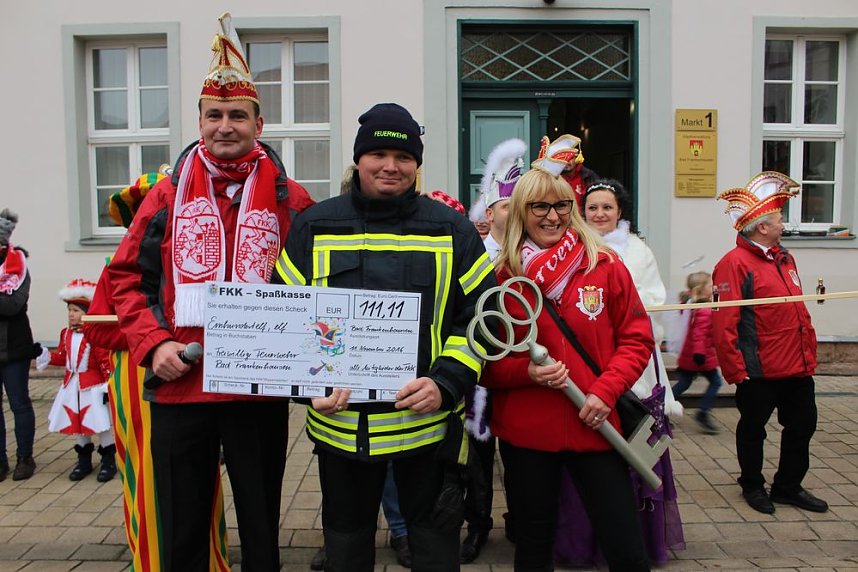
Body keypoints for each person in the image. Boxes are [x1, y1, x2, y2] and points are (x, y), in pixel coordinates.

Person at [107, 13, 314, 570]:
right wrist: (154, 346)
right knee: (181, 533)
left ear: (259, 123)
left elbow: (318, 285)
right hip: (179, 386)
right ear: (199, 119)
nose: (226, 125)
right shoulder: (166, 196)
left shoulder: (291, 199)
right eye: (215, 114)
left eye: (237, 115)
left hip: (257, 392)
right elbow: (126, 279)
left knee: (262, 533)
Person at [273, 102, 497, 571]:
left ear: (417, 164)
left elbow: (483, 316)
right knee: (347, 553)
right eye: (377, 154)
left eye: (403, 157)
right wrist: (308, 388)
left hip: (428, 432)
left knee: (435, 554)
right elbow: (284, 320)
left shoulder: (451, 229)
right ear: (358, 159)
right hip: (341, 433)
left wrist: (446, 382)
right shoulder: (315, 226)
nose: (390, 166)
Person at [480, 142, 653, 571]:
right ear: (521, 210)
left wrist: (605, 392)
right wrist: (526, 373)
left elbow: (637, 340)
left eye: (560, 205)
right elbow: (482, 361)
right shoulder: (501, 277)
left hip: (595, 425)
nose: (552, 216)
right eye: (539, 207)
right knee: (534, 544)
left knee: (624, 543)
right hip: (526, 434)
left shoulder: (606, 266)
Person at [85, 171, 231, 570]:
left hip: (194, 379)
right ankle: (152, 559)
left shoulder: (201, 249)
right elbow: (99, 326)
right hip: (140, 382)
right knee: (151, 477)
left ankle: (209, 557)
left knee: (198, 478)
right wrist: (152, 341)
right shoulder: (123, 261)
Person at [553, 178, 683, 566]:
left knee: (629, 439)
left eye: (606, 207)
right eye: (592, 207)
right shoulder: (567, 250)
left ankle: (634, 541)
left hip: (631, 365)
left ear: (619, 211)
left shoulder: (638, 252)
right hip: (583, 361)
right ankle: (582, 541)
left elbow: (652, 303)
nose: (599, 214)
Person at [713, 171, 828, 515]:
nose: (783, 223)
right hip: (758, 369)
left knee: (803, 424)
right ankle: (752, 484)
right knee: (753, 430)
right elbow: (724, 324)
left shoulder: (784, 257)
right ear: (762, 227)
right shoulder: (733, 265)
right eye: (779, 218)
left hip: (796, 363)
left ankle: (788, 486)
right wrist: (736, 370)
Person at [460, 138, 528, 564]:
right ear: (490, 212)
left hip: (522, 375)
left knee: (522, 457)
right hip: (480, 375)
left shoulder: (534, 257)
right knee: (477, 461)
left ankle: (522, 521)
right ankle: (477, 525)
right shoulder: (472, 256)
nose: (515, 213)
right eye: (507, 206)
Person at [41, 279, 115, 481]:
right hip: (72, 386)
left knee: (100, 423)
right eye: (69, 310)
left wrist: (108, 384)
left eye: (75, 310)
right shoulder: (66, 333)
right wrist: (44, 354)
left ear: (87, 313)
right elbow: (63, 357)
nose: (71, 314)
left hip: (93, 386)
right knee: (79, 422)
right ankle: (83, 461)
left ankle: (109, 460)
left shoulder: (94, 333)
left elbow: (104, 360)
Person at [0, 208, 38, 482]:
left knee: (19, 403)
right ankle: (0, 461)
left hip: (15, 347)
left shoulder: (18, 267)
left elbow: (13, 305)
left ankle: (25, 457)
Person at [671, 271, 723, 435]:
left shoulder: (697, 304)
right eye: (710, 285)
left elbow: (717, 308)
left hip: (692, 355)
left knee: (684, 384)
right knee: (716, 382)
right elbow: (698, 334)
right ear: (701, 289)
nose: (713, 287)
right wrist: (699, 354)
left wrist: (715, 292)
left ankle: (662, 407)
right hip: (699, 355)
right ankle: (702, 412)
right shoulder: (703, 310)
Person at [546, 134, 599, 215]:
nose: (567, 161)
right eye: (563, 158)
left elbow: (597, 201)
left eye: (571, 158)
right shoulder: (550, 178)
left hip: (583, 222)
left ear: (576, 158)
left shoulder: (588, 176)